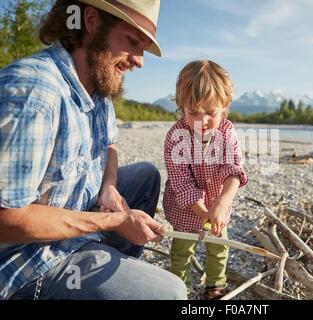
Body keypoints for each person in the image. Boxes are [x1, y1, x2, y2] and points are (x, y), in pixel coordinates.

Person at [0, 0, 187, 300]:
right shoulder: (34, 91)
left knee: (146, 176)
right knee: (171, 293)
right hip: (29, 262)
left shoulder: (99, 84)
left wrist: (109, 187)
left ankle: (103, 267)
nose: (140, 60)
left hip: (76, 214)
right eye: (132, 41)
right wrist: (114, 221)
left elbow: (109, 143)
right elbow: (6, 219)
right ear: (91, 21)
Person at [163, 60, 248, 299]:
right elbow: (182, 182)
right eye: (193, 113)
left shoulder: (227, 132)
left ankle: (214, 288)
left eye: (210, 113)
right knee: (182, 250)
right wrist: (202, 213)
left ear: (225, 106)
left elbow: (234, 171)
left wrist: (220, 205)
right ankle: (179, 289)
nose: (202, 121)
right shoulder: (176, 136)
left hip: (218, 203)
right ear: (181, 107)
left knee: (219, 248)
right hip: (185, 208)